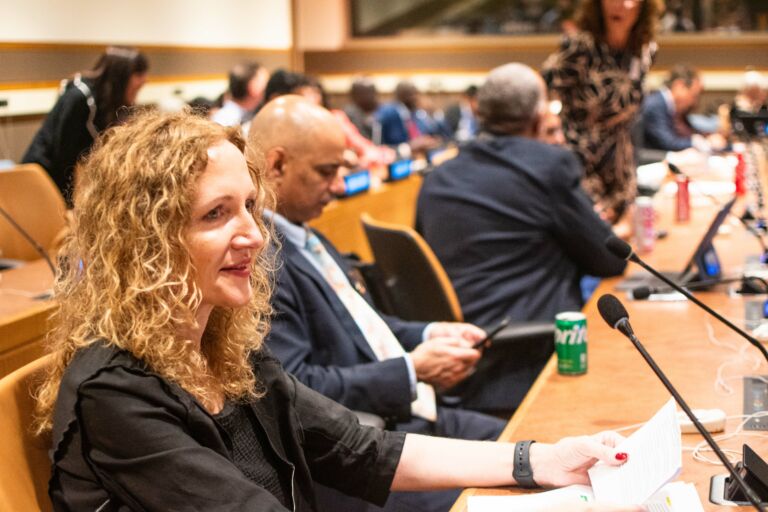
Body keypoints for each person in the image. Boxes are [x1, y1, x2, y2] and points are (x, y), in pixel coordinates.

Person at [33, 108, 640, 512]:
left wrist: (542, 462)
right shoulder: (115, 393)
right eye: (217, 214)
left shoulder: (221, 349)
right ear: (145, 241)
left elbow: (361, 448)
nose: (255, 235)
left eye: (250, 207)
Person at [251, 96, 503, 511]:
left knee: (527, 445)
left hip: (407, 418)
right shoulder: (262, 259)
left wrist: (430, 333)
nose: (339, 186)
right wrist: (412, 370)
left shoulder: (303, 232)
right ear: (277, 165)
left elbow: (362, 324)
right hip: (362, 455)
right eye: (326, 172)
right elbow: (296, 389)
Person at [416, 64, 626, 403]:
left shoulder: (438, 176)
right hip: (527, 358)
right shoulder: (548, 165)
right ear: (540, 117)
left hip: (455, 355)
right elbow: (608, 259)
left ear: (479, 112)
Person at [542, 0, 663, 225]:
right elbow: (544, 89)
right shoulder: (580, 46)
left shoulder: (645, 50)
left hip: (620, 164)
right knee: (594, 235)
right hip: (579, 160)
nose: (621, 5)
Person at [22, 46, 149, 207]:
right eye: (139, 74)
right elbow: (64, 154)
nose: (144, 80)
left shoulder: (109, 102)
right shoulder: (79, 97)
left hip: (66, 178)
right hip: (44, 176)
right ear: (121, 76)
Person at [641, 64, 725, 152]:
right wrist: (698, 142)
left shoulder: (672, 107)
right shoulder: (656, 104)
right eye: (694, 96)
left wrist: (707, 138)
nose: (695, 103)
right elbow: (668, 143)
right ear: (680, 86)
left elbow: (690, 132)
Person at [376, 80, 443, 154]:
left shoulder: (415, 113)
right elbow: (380, 146)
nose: (415, 97)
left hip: (421, 154)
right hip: (398, 156)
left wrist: (429, 140)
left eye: (416, 93)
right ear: (400, 95)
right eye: (410, 94)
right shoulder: (389, 113)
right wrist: (409, 146)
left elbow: (430, 131)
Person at [211, 61, 269, 127]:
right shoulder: (224, 121)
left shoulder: (250, 115)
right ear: (252, 86)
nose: (268, 87)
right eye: (266, 82)